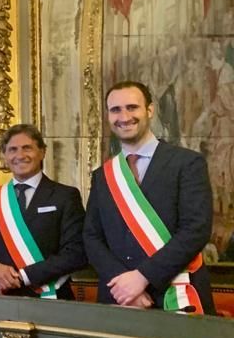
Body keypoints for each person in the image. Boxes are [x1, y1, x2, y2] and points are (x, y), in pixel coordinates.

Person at [84, 81, 214, 313]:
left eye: (132, 107)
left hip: (175, 294)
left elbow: (196, 229)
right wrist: (124, 284)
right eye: (115, 110)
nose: (124, 117)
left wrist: (142, 277)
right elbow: (92, 236)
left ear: (150, 110)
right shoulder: (103, 176)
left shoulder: (187, 163)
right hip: (119, 296)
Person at [0, 124, 86, 299]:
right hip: (2, 298)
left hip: (50, 298)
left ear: (42, 152)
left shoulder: (65, 195)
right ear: (4, 155)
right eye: (12, 150)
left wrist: (23, 276)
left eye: (27, 148)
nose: (20, 155)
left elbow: (76, 252)